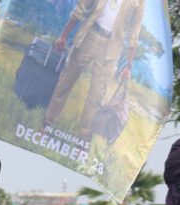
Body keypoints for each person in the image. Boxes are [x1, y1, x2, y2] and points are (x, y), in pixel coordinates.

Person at [44, 0, 146, 141]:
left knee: (96, 96)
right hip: (90, 35)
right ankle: (47, 123)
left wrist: (128, 65)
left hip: (112, 48)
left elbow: (135, 32)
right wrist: (64, 35)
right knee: (65, 82)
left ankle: (83, 140)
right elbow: (81, 8)